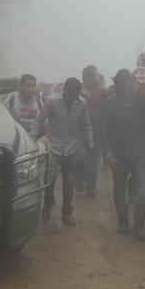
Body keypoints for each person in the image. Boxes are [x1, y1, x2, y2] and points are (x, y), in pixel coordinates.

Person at [31, 77, 94, 227]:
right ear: (64, 90)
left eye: (76, 93)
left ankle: (67, 213)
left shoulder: (82, 104)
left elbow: (86, 125)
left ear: (79, 92)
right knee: (49, 181)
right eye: (70, 92)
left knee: (69, 182)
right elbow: (38, 121)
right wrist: (31, 140)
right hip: (53, 146)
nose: (73, 95)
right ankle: (47, 207)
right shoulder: (52, 102)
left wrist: (90, 143)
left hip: (71, 148)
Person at [102, 69, 145, 241]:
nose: (126, 88)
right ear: (117, 86)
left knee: (144, 189)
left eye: (128, 84)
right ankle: (123, 220)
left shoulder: (143, 103)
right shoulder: (109, 104)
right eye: (122, 85)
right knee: (119, 188)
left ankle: (140, 224)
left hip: (140, 152)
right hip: (118, 152)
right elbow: (104, 131)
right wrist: (108, 152)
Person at [76, 65, 108, 196]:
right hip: (78, 133)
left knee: (94, 162)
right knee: (81, 158)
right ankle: (78, 181)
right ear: (87, 77)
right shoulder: (76, 91)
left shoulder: (103, 92)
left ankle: (91, 186)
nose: (98, 77)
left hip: (97, 132)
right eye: (95, 75)